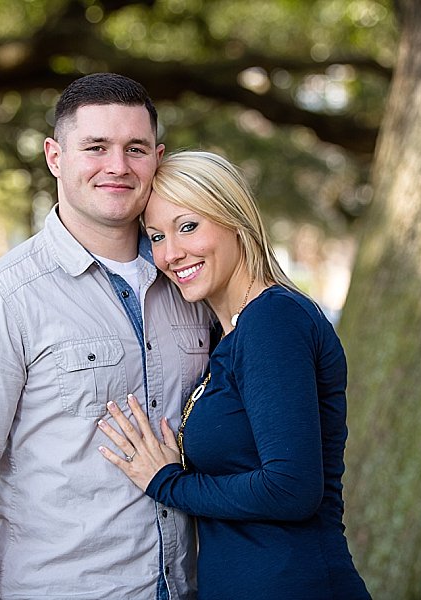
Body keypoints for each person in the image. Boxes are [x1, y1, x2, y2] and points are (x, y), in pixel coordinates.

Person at [0, 74, 211, 599]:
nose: (118, 166)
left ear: (158, 158)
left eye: (135, 149)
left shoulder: (191, 287)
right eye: (96, 147)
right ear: (55, 157)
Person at [98, 151, 370, 599]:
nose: (171, 253)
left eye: (188, 226)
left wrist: (167, 482)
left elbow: (291, 489)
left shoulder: (273, 321)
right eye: (157, 237)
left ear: (235, 221)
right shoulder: (230, 334)